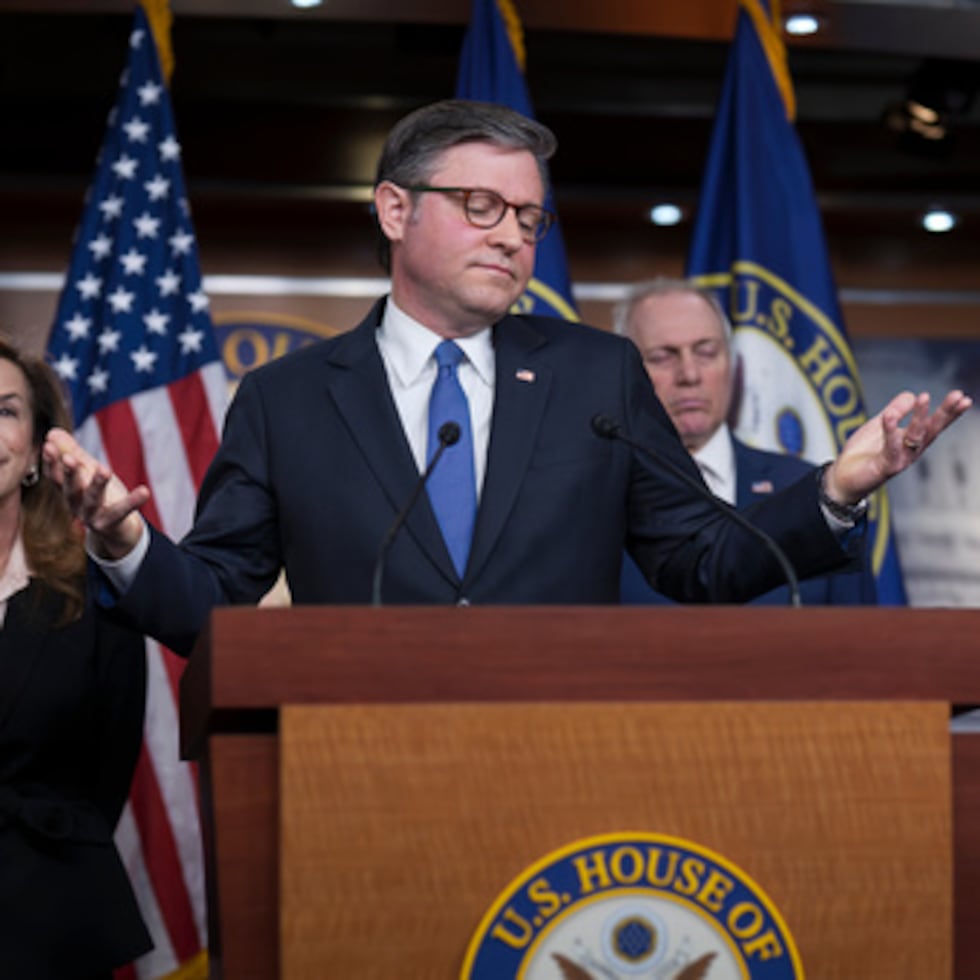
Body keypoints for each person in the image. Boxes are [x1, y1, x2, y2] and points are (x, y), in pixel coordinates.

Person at [42, 100, 970, 657]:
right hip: (358, 766)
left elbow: (701, 559)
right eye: (481, 205)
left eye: (529, 217)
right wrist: (127, 543)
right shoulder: (287, 399)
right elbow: (214, 601)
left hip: (564, 754)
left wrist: (837, 492)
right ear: (396, 210)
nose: (511, 235)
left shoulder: (595, 376)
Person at [0, 338, 151, 978]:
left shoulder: (93, 594)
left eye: (5, 410)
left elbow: (106, 774)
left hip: (50, 926)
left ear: (37, 450)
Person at [614, 277, 878, 606]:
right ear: (624, 375)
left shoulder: (812, 494)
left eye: (706, 352)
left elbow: (857, 636)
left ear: (733, 366)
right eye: (663, 357)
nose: (690, 374)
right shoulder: (598, 499)